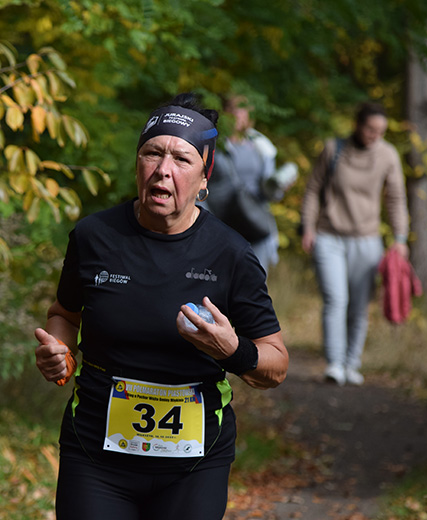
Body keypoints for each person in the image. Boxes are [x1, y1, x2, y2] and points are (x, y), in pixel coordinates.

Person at [33, 93, 289, 520]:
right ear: (137, 165)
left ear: (205, 177)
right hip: (95, 455)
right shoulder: (94, 237)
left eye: (181, 159)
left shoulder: (231, 254)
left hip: (194, 465)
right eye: (152, 153)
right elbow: (64, 313)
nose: (163, 170)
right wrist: (59, 353)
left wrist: (231, 350)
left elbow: (276, 366)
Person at [300, 101, 409, 386]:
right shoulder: (333, 149)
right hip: (329, 236)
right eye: (371, 129)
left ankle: (352, 363)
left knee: (359, 306)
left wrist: (400, 238)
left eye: (381, 131)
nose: (375, 135)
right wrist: (308, 227)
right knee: (336, 299)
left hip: (367, 240)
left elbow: (396, 198)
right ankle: (334, 363)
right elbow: (312, 190)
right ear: (358, 125)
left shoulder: (388, 156)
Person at [203, 95, 297, 272]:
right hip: (222, 221)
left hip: (253, 221)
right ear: (224, 112)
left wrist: (279, 187)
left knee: (254, 278)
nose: (237, 115)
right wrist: (202, 221)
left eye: (242, 110)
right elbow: (200, 183)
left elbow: (270, 193)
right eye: (233, 109)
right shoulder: (213, 144)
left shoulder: (261, 146)